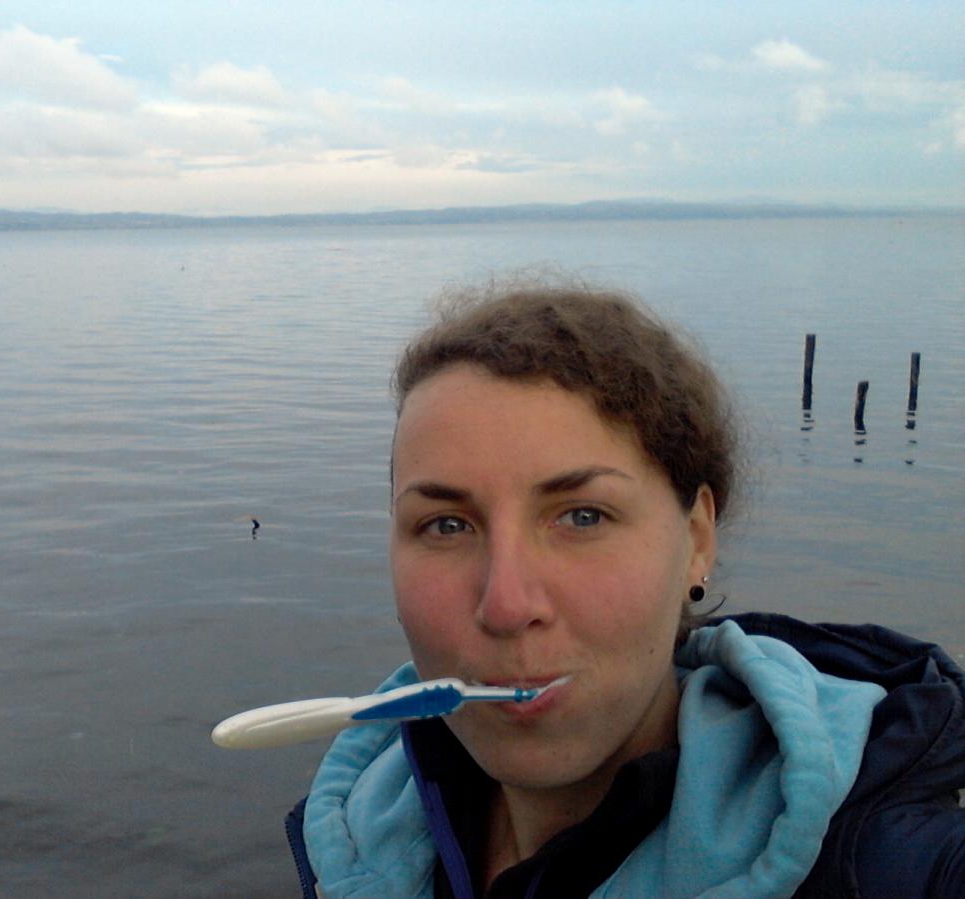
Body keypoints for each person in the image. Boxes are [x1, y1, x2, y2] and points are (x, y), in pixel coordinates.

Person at [284, 280, 965, 898]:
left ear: (697, 538)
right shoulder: (350, 833)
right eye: (446, 524)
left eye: (583, 516)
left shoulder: (882, 860)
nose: (507, 605)